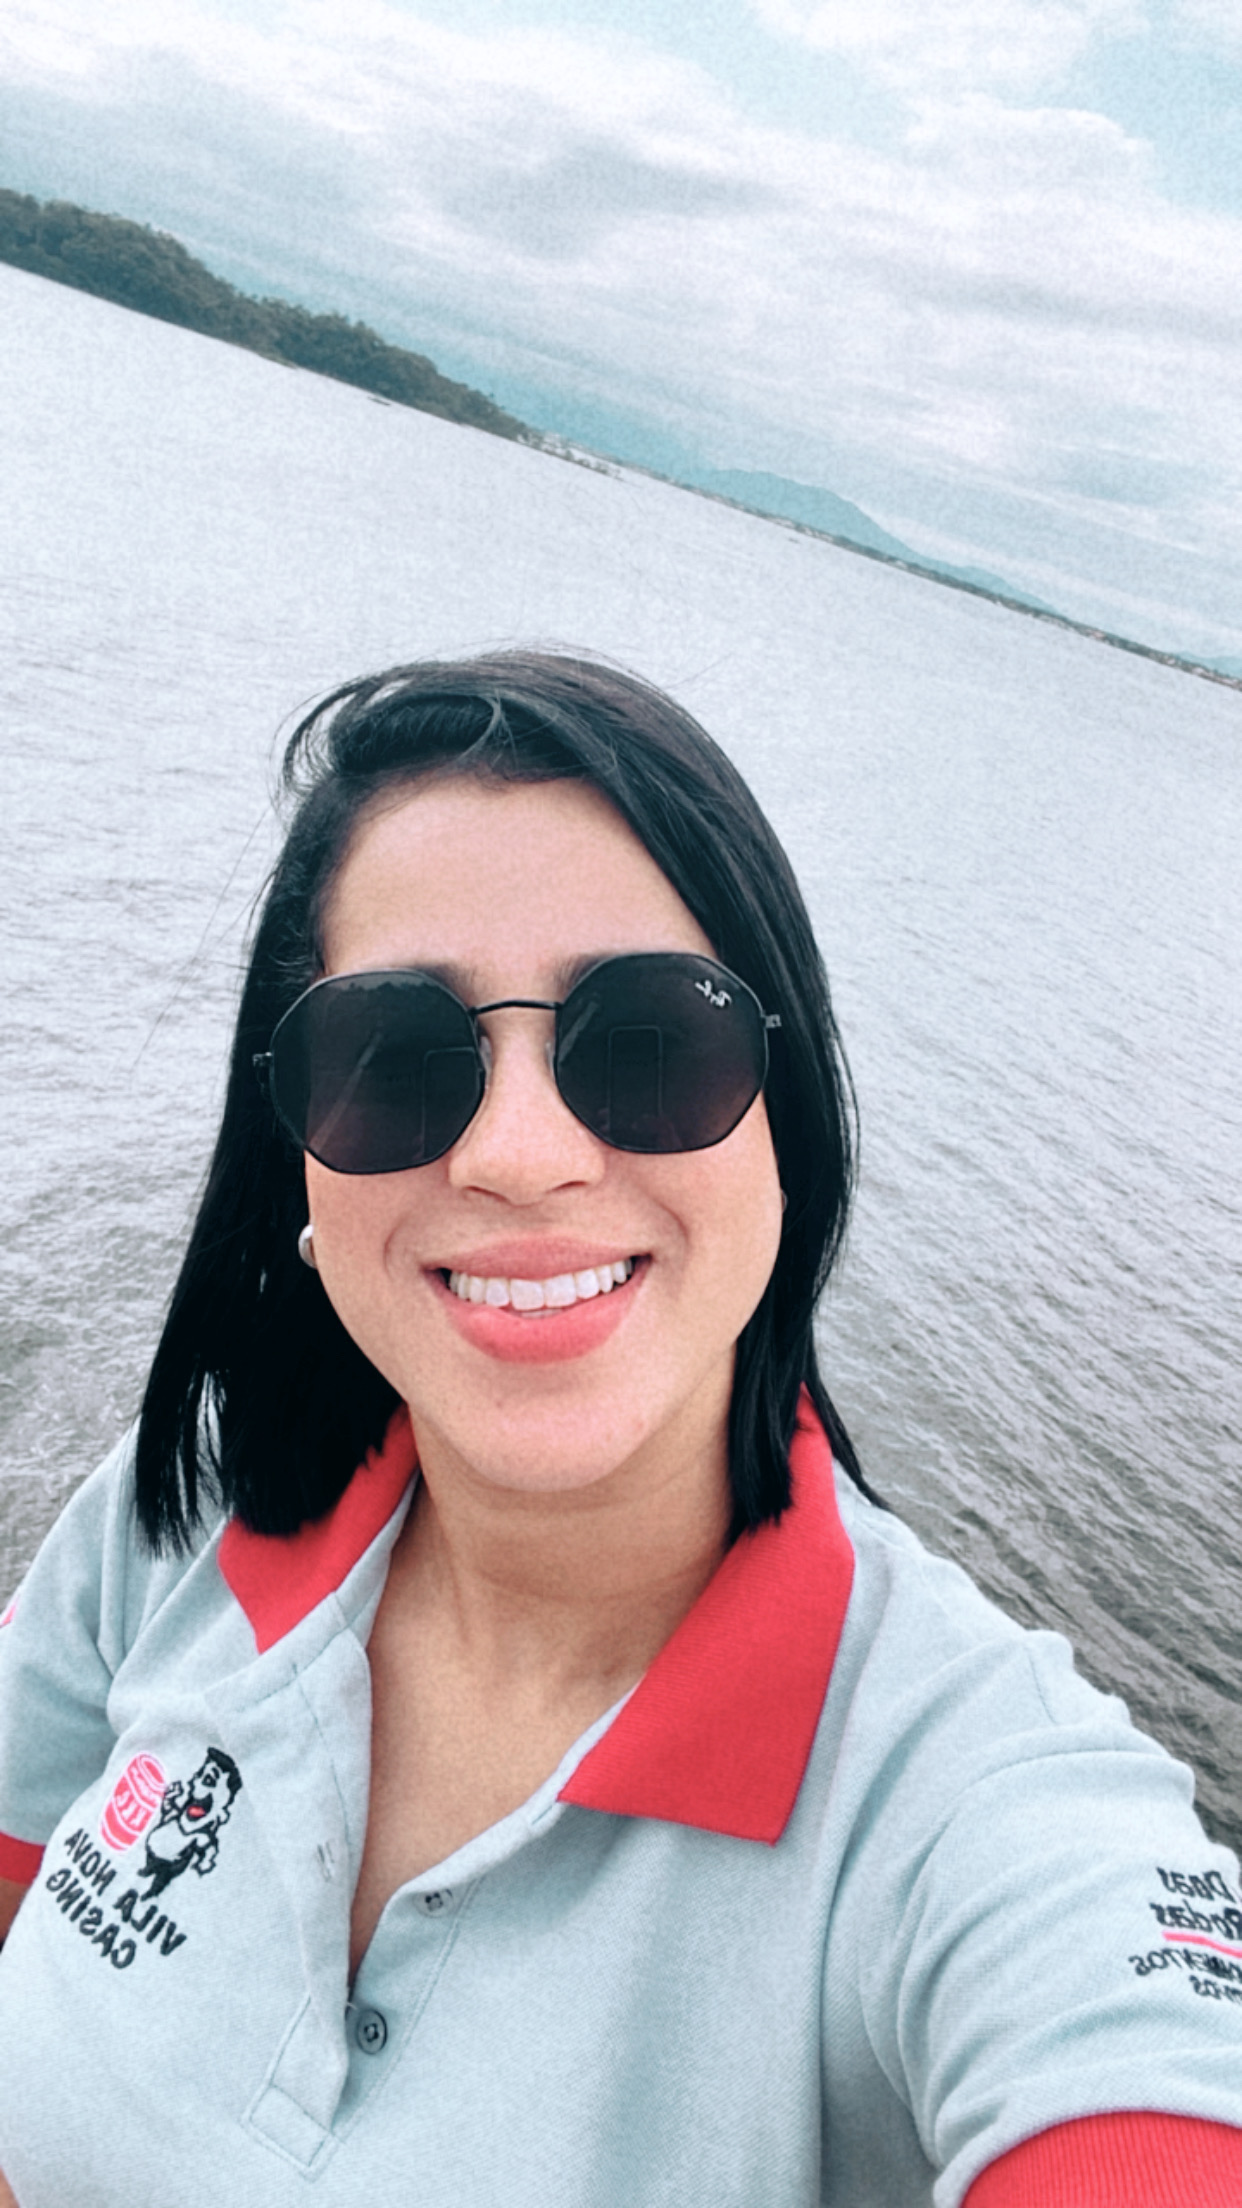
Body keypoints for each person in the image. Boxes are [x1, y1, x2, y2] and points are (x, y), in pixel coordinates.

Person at [0, 651, 1239, 2207]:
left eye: (650, 1040)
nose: (519, 1154)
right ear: (296, 1154)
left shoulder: (962, 1799)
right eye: (393, 1056)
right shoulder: (183, 1509)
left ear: (788, 1131)